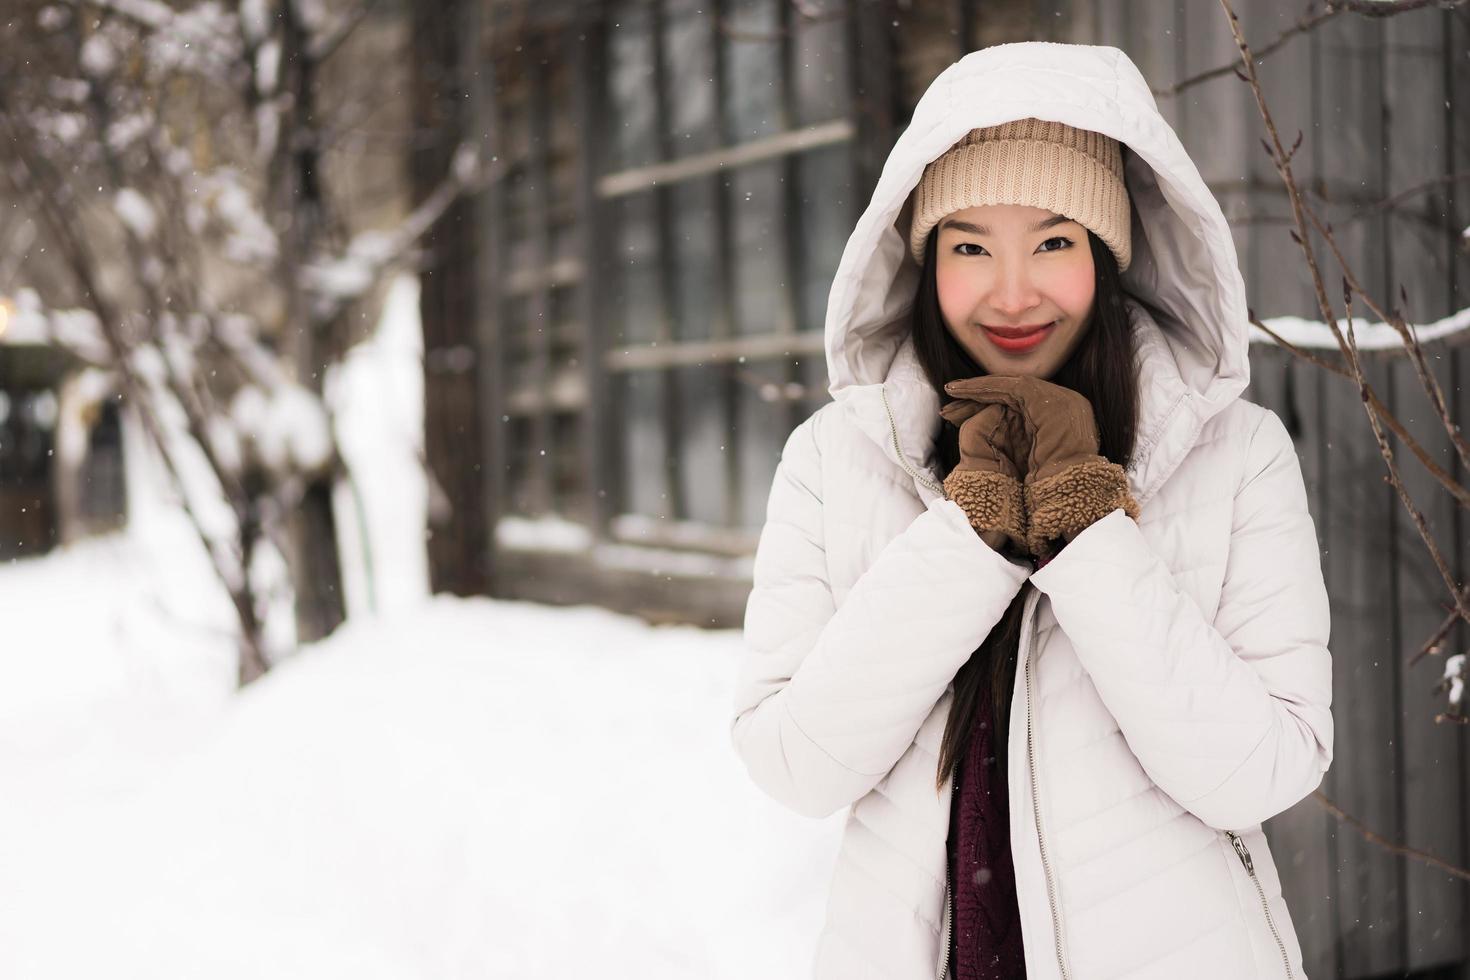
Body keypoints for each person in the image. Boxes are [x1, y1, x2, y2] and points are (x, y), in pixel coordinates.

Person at [729, 40, 1333, 980]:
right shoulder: (832, 463)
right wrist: (967, 535)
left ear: (1105, 253)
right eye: (970, 246)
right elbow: (795, 764)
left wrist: (1090, 527)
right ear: (926, 259)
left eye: (1053, 241)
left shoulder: (1235, 456)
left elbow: (1262, 770)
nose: (1013, 293)